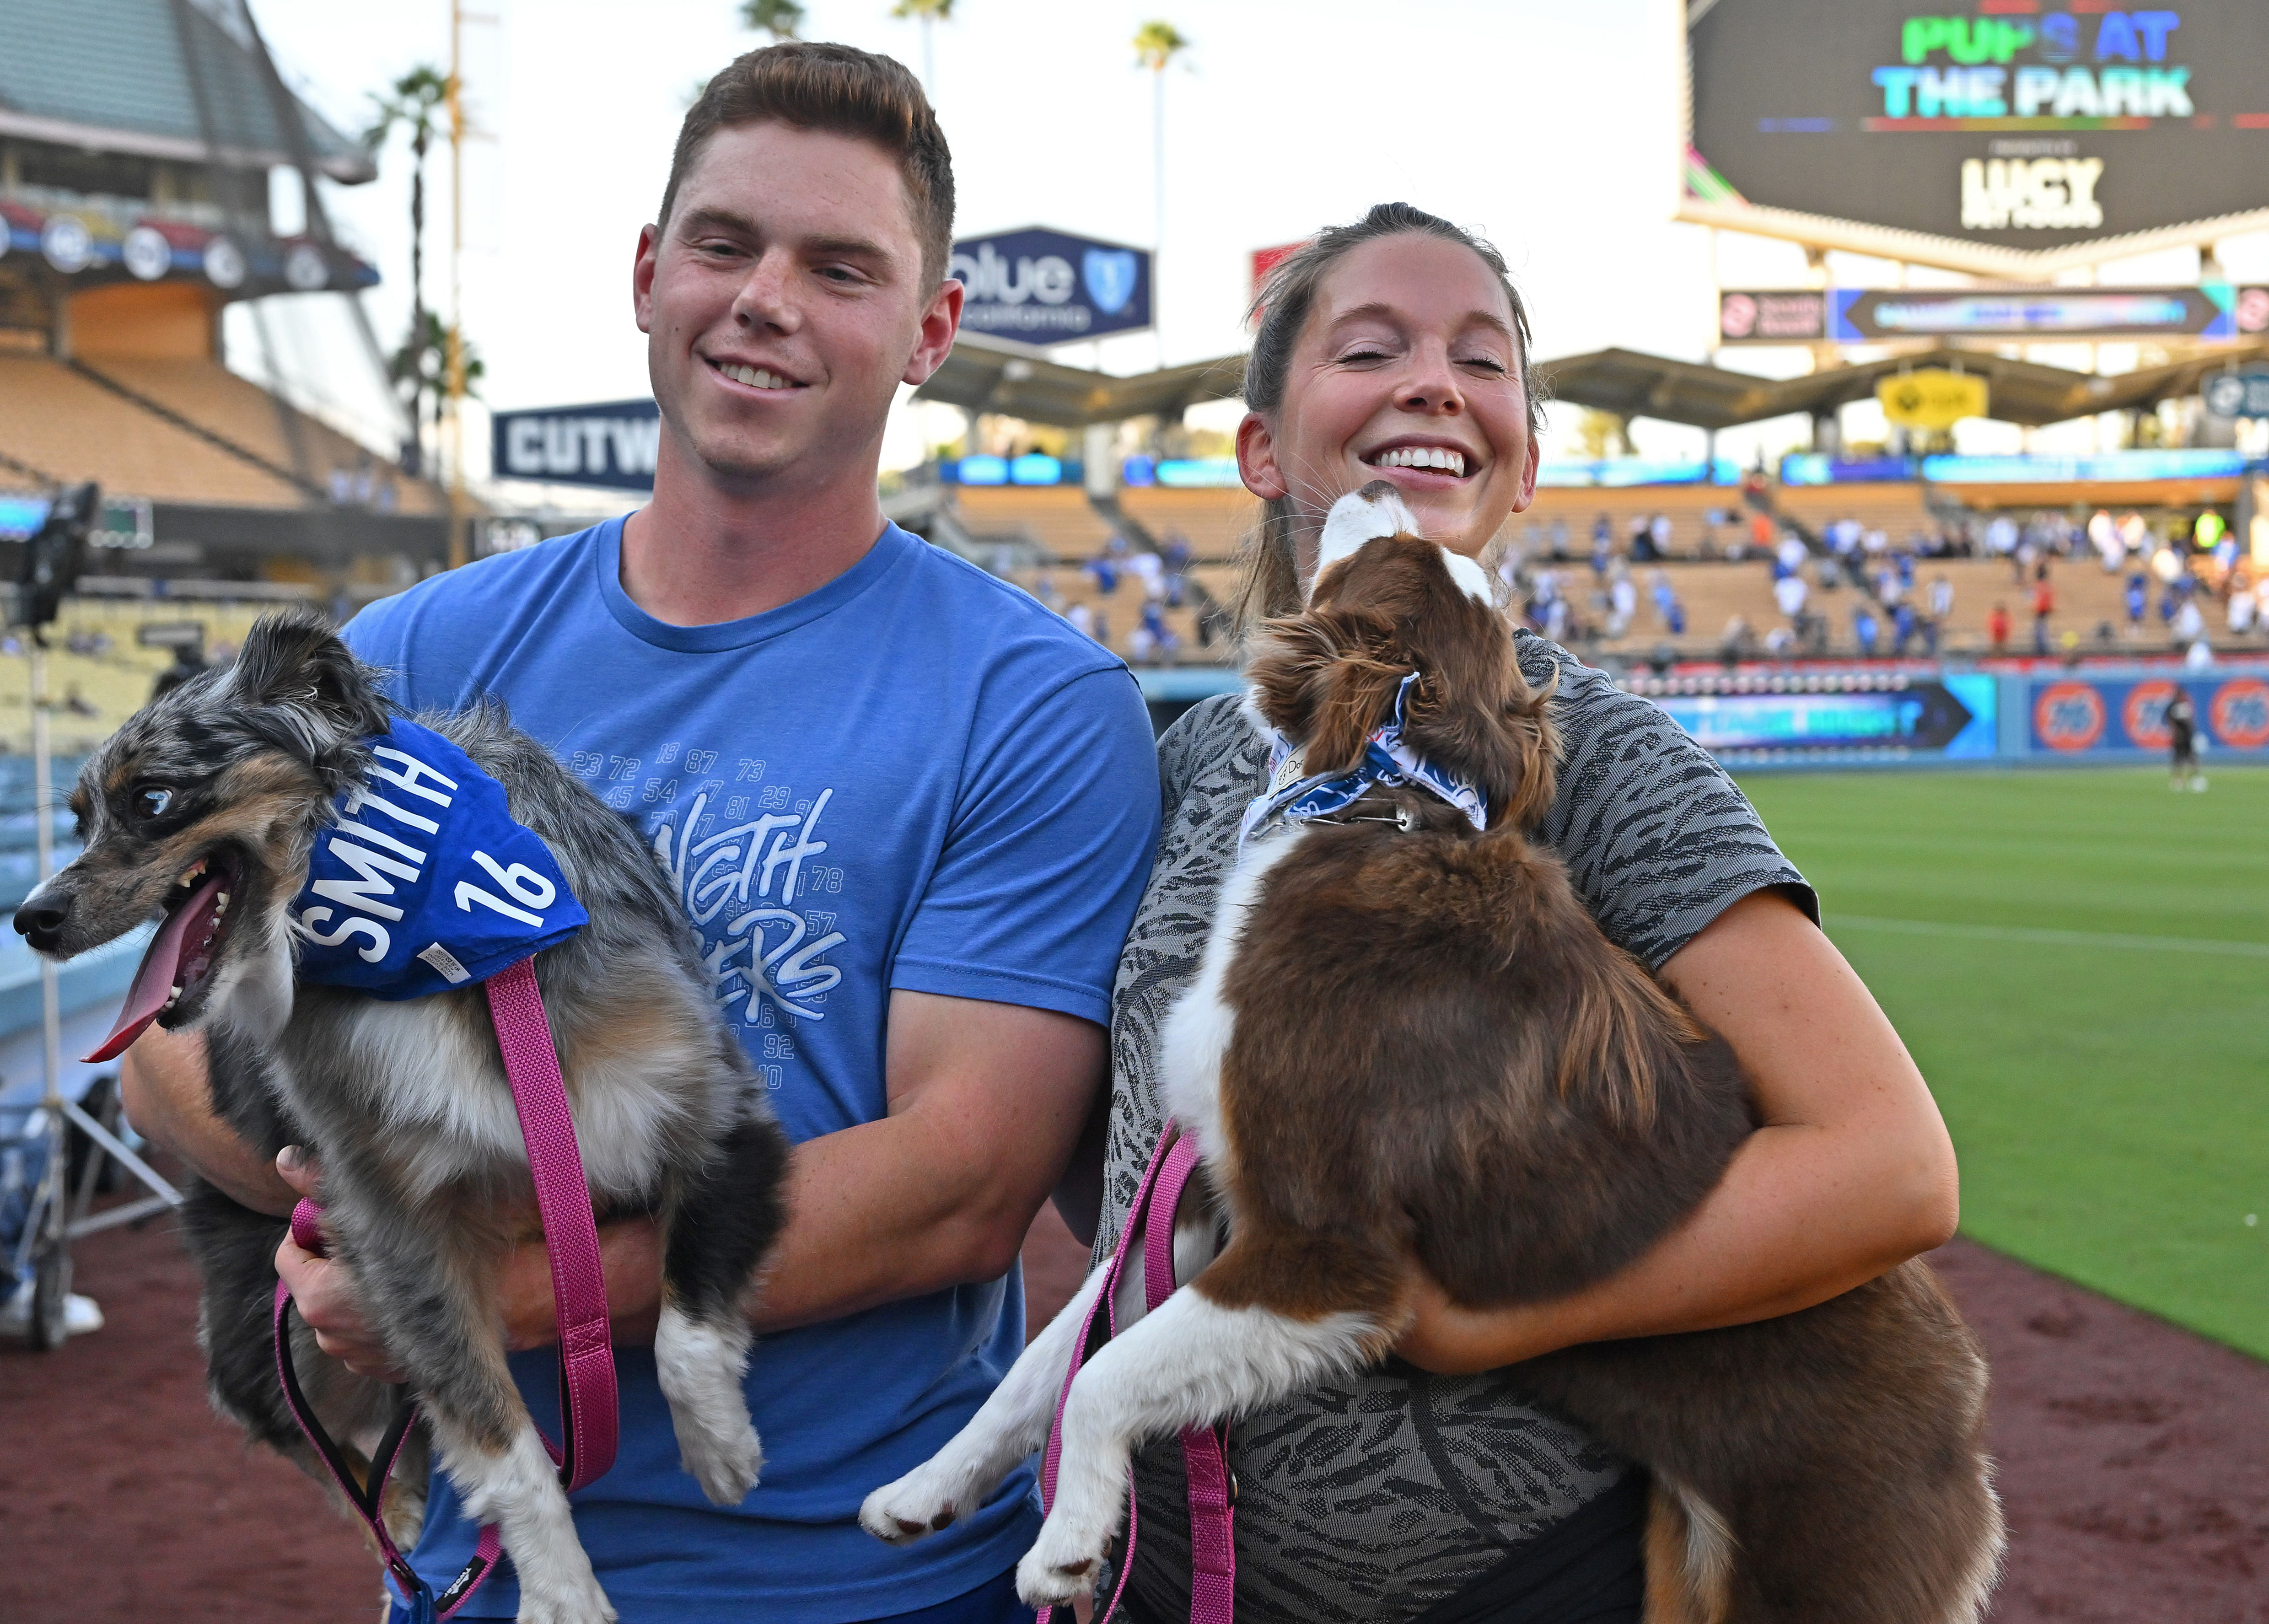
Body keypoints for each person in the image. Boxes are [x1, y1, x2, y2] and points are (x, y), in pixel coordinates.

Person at [117, 43, 1161, 1624]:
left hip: (865, 1584)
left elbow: (962, 1178)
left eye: (841, 267)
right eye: (726, 245)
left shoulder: (1034, 702)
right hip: (486, 1575)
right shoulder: (414, 654)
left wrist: (479, 1298)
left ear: (931, 331)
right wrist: (349, 1199)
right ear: (648, 272)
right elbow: (168, 1032)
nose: (765, 301)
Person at [1068, 203, 1957, 1623]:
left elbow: (1893, 1166)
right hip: (1168, 1575)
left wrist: (1484, 1320)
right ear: (1258, 448)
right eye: (1373, 347)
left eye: (1482, 362)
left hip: (1525, 1578)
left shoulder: (1587, 748)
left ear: (1525, 462)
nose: (1434, 380)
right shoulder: (1178, 769)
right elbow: (1125, 1166)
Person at [2167, 686, 2205, 790]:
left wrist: (2193, 734)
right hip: (2179, 738)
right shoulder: (2173, 707)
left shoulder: (2186, 706)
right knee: (2178, 759)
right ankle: (2179, 780)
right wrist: (2175, 735)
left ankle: (2195, 778)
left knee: (2191, 757)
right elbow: (2171, 722)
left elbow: (2191, 722)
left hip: (2188, 737)